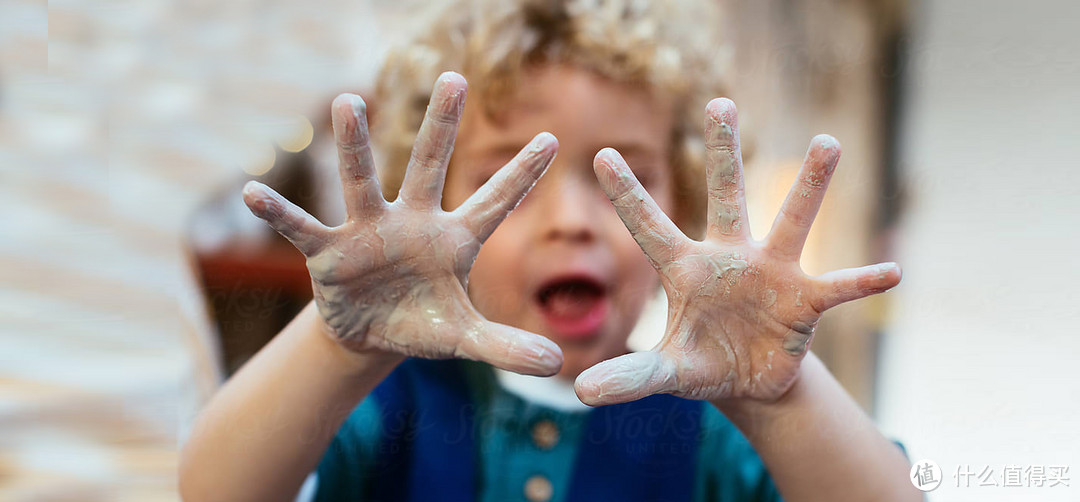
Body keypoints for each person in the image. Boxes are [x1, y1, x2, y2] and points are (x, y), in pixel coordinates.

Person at [179, 1, 920, 501]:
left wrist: (783, 395)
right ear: (432, 209)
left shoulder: (714, 430)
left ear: (687, 203)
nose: (572, 221)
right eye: (516, 179)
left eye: (621, 176)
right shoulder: (388, 403)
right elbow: (216, 488)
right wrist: (336, 349)